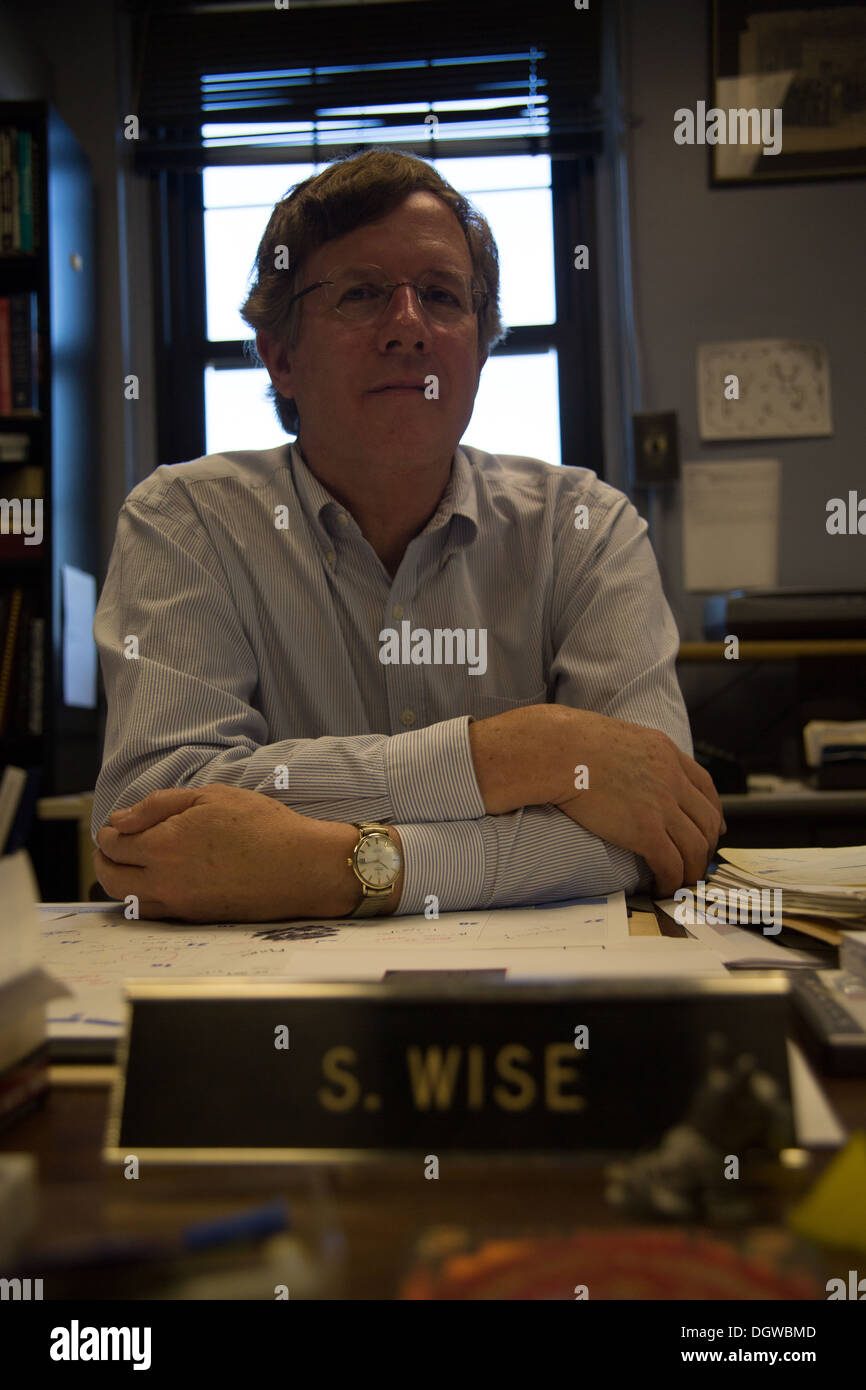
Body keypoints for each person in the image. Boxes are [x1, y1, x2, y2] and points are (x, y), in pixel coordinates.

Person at [90, 148, 724, 923]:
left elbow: (657, 829)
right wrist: (527, 753)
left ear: (480, 344)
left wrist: (342, 868)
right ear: (281, 356)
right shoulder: (184, 520)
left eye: (441, 295)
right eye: (360, 293)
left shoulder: (585, 528)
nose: (408, 327)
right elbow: (146, 818)